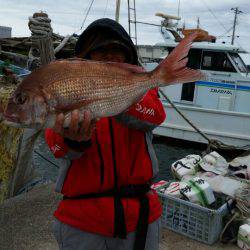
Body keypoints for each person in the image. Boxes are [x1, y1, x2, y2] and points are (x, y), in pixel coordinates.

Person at [45, 18, 166, 250]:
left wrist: (117, 92)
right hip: (82, 221)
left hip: (140, 218)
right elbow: (56, 146)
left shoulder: (142, 88)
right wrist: (73, 141)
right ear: (84, 60)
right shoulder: (68, 90)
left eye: (117, 51)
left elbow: (155, 116)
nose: (110, 57)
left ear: (129, 58)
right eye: (100, 51)